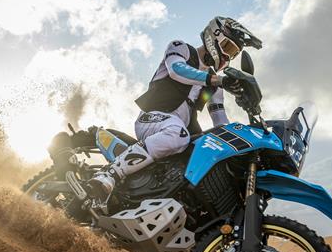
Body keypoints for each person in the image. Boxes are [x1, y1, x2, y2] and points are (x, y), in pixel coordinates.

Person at [87, 16, 262, 201]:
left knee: (207, 151)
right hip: (152, 119)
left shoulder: (215, 87)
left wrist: (245, 105)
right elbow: (176, 70)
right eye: (228, 48)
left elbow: (221, 123)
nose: (228, 57)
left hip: (179, 134)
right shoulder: (181, 48)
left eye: (233, 54)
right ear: (215, 36)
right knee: (178, 133)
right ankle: (109, 173)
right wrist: (218, 79)